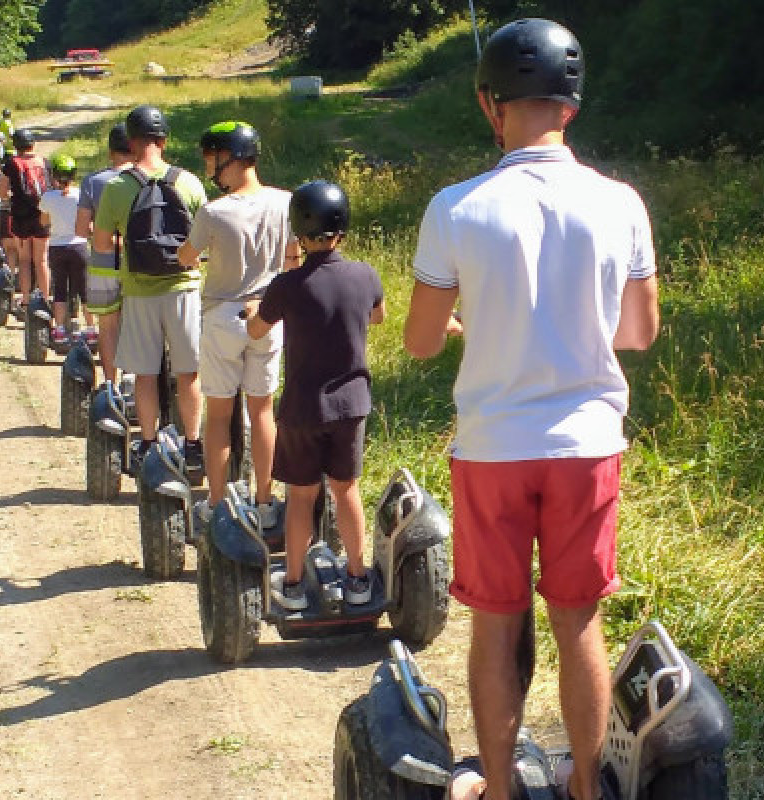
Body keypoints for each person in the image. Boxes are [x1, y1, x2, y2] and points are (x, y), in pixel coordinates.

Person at [402, 18, 661, 800]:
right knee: (579, 621)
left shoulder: (455, 207)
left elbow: (417, 342)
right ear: (571, 106)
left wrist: (464, 321)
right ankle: (586, 784)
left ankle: (503, 791)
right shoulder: (621, 203)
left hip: (492, 447)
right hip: (587, 443)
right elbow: (639, 332)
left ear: (491, 104)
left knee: (496, 623)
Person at [246, 180, 385, 611]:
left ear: (299, 234)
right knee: (347, 490)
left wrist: (255, 308)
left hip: (303, 409)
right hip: (351, 406)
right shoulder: (365, 275)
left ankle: (290, 584)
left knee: (301, 496)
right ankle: (358, 577)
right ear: (342, 228)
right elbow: (377, 317)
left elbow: (255, 331)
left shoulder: (287, 284)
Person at [178, 121, 295, 529]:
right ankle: (264, 502)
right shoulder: (286, 202)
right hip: (269, 313)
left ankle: (215, 502)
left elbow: (187, 257)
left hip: (224, 316)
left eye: (213, 159)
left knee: (219, 413)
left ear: (229, 158)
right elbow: (293, 258)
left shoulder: (213, 211)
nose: (212, 168)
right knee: (262, 410)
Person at [92, 105, 208, 472]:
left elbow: (102, 243)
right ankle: (192, 444)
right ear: (164, 139)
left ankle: (148, 442)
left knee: (145, 372)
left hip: (139, 290)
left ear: (131, 140)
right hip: (184, 288)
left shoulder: (116, 187)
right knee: (189, 372)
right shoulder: (188, 182)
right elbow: (204, 238)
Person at [76, 122, 133, 386]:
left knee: (107, 327)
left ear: (111, 152)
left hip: (102, 262)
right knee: (135, 324)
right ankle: (132, 380)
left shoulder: (94, 181)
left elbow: (81, 228)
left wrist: (101, 233)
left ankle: (111, 385)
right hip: (137, 263)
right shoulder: (146, 179)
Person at [39, 154, 94, 346]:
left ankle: (60, 329)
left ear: (54, 175)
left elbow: (44, 221)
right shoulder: (81, 195)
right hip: (79, 245)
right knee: (84, 289)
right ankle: (91, 328)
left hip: (57, 247)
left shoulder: (47, 197)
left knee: (60, 289)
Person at [3, 128, 51, 311]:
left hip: (21, 217)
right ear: (33, 144)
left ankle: (25, 300)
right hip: (42, 215)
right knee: (42, 260)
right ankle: (46, 299)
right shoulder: (44, 162)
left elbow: (5, 190)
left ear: (16, 146)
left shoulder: (12, 163)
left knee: (24, 260)